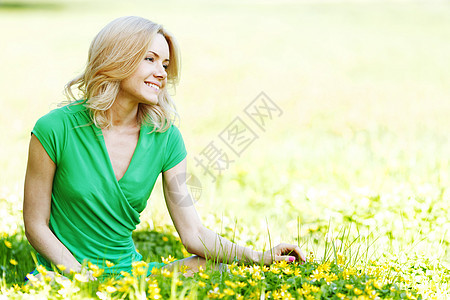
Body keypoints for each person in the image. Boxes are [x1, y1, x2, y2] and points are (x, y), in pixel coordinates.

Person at [23, 16, 305, 280]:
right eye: (150, 59)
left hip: (128, 275)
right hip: (63, 276)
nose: (161, 73)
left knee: (215, 269)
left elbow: (192, 233)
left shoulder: (166, 138)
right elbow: (36, 225)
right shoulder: (55, 128)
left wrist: (259, 256)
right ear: (117, 59)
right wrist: (82, 279)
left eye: (165, 64)